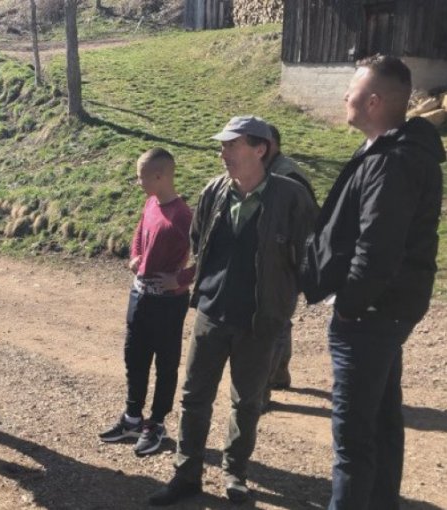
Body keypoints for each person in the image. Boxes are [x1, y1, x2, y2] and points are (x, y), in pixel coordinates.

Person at [149, 116, 316, 506]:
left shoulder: (292, 197)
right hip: (212, 312)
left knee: (247, 402)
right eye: (222, 145)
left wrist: (284, 300)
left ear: (260, 149)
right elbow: (199, 241)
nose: (222, 153)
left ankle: (235, 475)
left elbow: (309, 254)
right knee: (194, 398)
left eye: (231, 145)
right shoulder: (214, 191)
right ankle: (185, 476)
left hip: (260, 321)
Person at [302, 55, 444, 510]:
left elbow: (378, 248)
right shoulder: (393, 151)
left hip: (370, 314)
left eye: (354, 89)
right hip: (385, 310)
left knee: (353, 436)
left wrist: (350, 305)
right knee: (380, 418)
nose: (346, 95)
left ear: (375, 101)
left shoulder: (393, 161)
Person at [98, 148, 193, 456]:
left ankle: (157, 422)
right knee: (134, 356)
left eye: (141, 176)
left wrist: (181, 279)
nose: (137, 181)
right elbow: (139, 233)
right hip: (139, 295)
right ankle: (132, 418)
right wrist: (134, 256)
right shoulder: (151, 202)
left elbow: (208, 255)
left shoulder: (183, 215)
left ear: (160, 176)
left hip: (168, 304)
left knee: (165, 363)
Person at [262, 123, 317, 410]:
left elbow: (306, 220)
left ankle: (264, 387)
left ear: (270, 145)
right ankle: (279, 375)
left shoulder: (288, 175)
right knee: (279, 319)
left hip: (286, 258)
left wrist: (297, 264)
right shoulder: (273, 168)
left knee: (274, 320)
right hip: (281, 256)